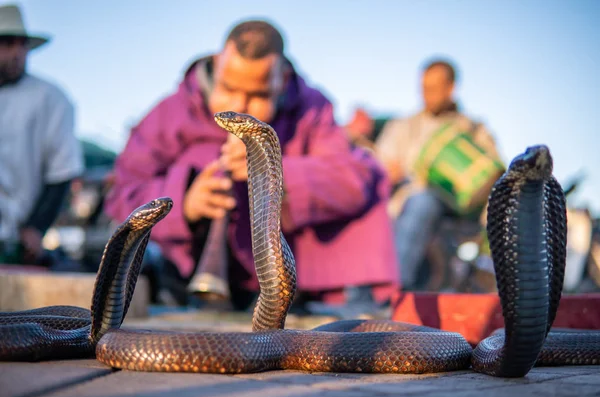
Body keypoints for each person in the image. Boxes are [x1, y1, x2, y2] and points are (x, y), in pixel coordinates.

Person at [104, 19, 398, 310]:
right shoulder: (170, 112)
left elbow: (351, 179)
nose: (240, 105)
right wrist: (185, 203)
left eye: (258, 95)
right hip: (186, 273)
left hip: (285, 280)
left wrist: (274, 172)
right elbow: (123, 194)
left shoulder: (313, 108)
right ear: (218, 64)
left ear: (281, 79)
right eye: (229, 88)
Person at [374, 58, 501, 290]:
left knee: (425, 201)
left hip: (458, 209)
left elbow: (492, 172)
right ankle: (386, 290)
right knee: (417, 202)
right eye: (424, 89)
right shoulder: (404, 126)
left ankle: (394, 289)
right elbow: (378, 166)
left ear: (451, 88)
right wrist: (388, 172)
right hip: (404, 202)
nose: (427, 95)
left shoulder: (473, 129)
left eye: (433, 89)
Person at [0, 4, 84, 265]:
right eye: (7, 43)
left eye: (21, 44)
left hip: (16, 243)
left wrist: (36, 228)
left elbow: (62, 170)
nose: (16, 53)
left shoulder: (51, 99)